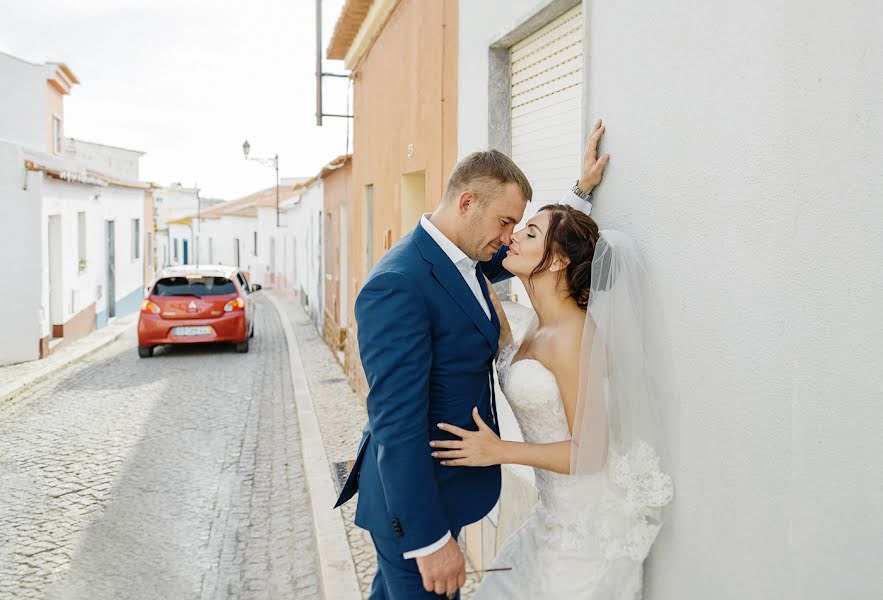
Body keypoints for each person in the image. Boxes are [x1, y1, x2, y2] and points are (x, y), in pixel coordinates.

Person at [334, 122, 611, 598]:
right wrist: (430, 541)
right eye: (506, 222)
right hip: (415, 514)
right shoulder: (399, 282)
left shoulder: (463, 256)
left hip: (447, 495)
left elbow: (543, 254)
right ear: (467, 203)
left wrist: (580, 192)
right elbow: (395, 422)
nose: (509, 238)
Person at [430, 206, 675, 598]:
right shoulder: (536, 324)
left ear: (559, 260)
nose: (512, 237)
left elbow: (591, 452)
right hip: (550, 516)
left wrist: (497, 451)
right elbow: (511, 352)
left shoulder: (574, 336)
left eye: (529, 234)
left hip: (584, 530)